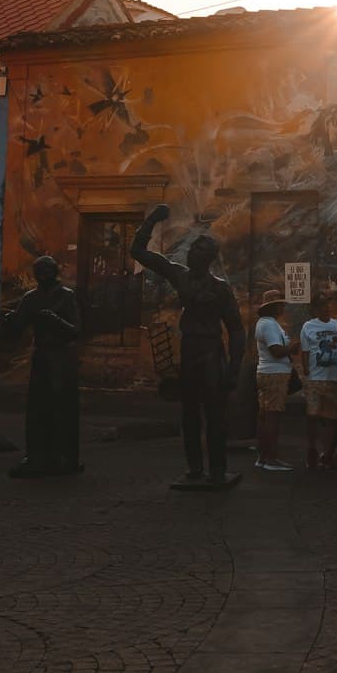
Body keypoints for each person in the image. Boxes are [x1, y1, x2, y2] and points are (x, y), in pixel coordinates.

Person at [132, 205, 245, 488]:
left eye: (198, 250)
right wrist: (151, 221)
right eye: (193, 248)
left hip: (210, 352)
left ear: (207, 258)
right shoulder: (179, 275)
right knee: (189, 414)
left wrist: (233, 368)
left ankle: (218, 470)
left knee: (215, 415)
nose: (192, 253)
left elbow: (236, 328)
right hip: (190, 349)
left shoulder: (220, 288)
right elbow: (139, 253)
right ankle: (194, 468)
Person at [1, 255, 83, 478]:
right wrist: (9, 321)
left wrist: (54, 320)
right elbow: (18, 327)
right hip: (42, 356)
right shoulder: (30, 298)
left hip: (62, 356)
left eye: (47, 270)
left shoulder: (67, 296)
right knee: (37, 407)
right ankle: (36, 455)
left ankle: (64, 456)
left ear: (55, 272)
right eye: (39, 270)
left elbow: (75, 330)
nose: (43, 274)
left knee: (61, 406)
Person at [298, 291, 337, 469]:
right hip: (315, 378)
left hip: (334, 377)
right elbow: (305, 351)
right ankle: (311, 449)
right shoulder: (308, 327)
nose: (326, 308)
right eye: (323, 305)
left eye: (328, 304)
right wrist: (307, 372)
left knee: (332, 418)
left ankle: (327, 452)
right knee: (313, 416)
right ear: (315, 308)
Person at [252, 289, 294, 472]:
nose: (283, 307)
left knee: (265, 416)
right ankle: (271, 458)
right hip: (274, 374)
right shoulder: (269, 325)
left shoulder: (267, 323)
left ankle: (263, 457)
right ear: (275, 307)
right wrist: (292, 349)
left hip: (269, 372)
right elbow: (276, 351)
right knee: (273, 417)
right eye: (281, 304)